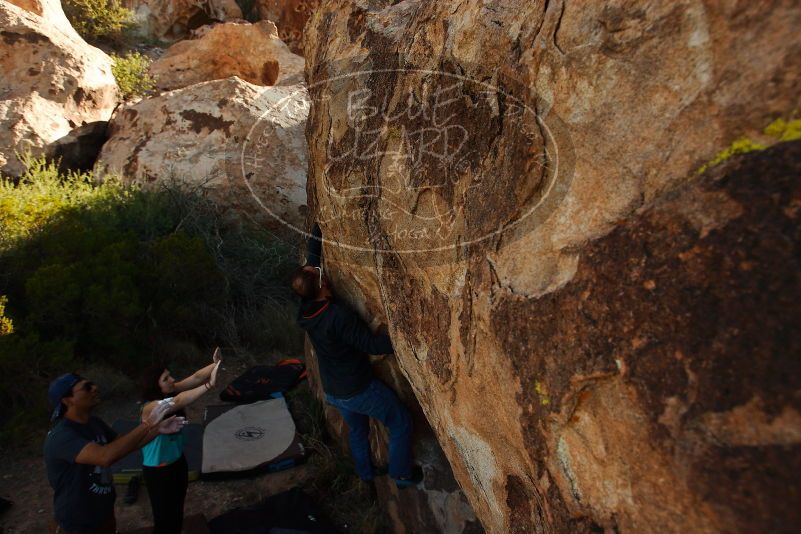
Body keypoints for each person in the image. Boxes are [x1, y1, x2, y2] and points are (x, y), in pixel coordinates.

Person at [291, 223, 423, 488]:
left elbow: (311, 265)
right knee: (400, 422)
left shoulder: (305, 309)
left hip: (334, 390)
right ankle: (401, 474)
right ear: (323, 284)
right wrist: (407, 339)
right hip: (357, 389)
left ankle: (365, 476)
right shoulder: (336, 317)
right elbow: (371, 345)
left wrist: (319, 231)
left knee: (358, 430)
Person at [44, 373, 184, 534]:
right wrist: (148, 424)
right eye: (87, 387)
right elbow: (105, 457)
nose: (95, 388)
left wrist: (157, 430)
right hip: (77, 523)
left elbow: (127, 445)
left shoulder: (94, 423)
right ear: (67, 400)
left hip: (104, 514)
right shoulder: (62, 436)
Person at [139, 348, 222, 534]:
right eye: (166, 379)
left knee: (177, 511)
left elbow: (195, 377)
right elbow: (177, 402)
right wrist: (209, 386)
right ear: (155, 386)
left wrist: (215, 364)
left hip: (177, 462)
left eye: (170, 376)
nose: (172, 380)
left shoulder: (170, 390)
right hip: (158, 471)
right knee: (164, 517)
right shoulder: (150, 407)